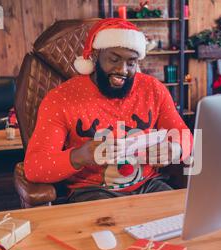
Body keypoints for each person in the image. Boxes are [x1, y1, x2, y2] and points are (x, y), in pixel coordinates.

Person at [24, 18, 193, 203]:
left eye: (131, 63)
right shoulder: (60, 98)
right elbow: (35, 168)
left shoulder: (153, 89)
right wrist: (79, 156)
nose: (122, 70)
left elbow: (184, 134)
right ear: (96, 55)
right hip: (92, 190)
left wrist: (175, 149)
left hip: (150, 185)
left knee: (183, 221)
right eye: (114, 59)